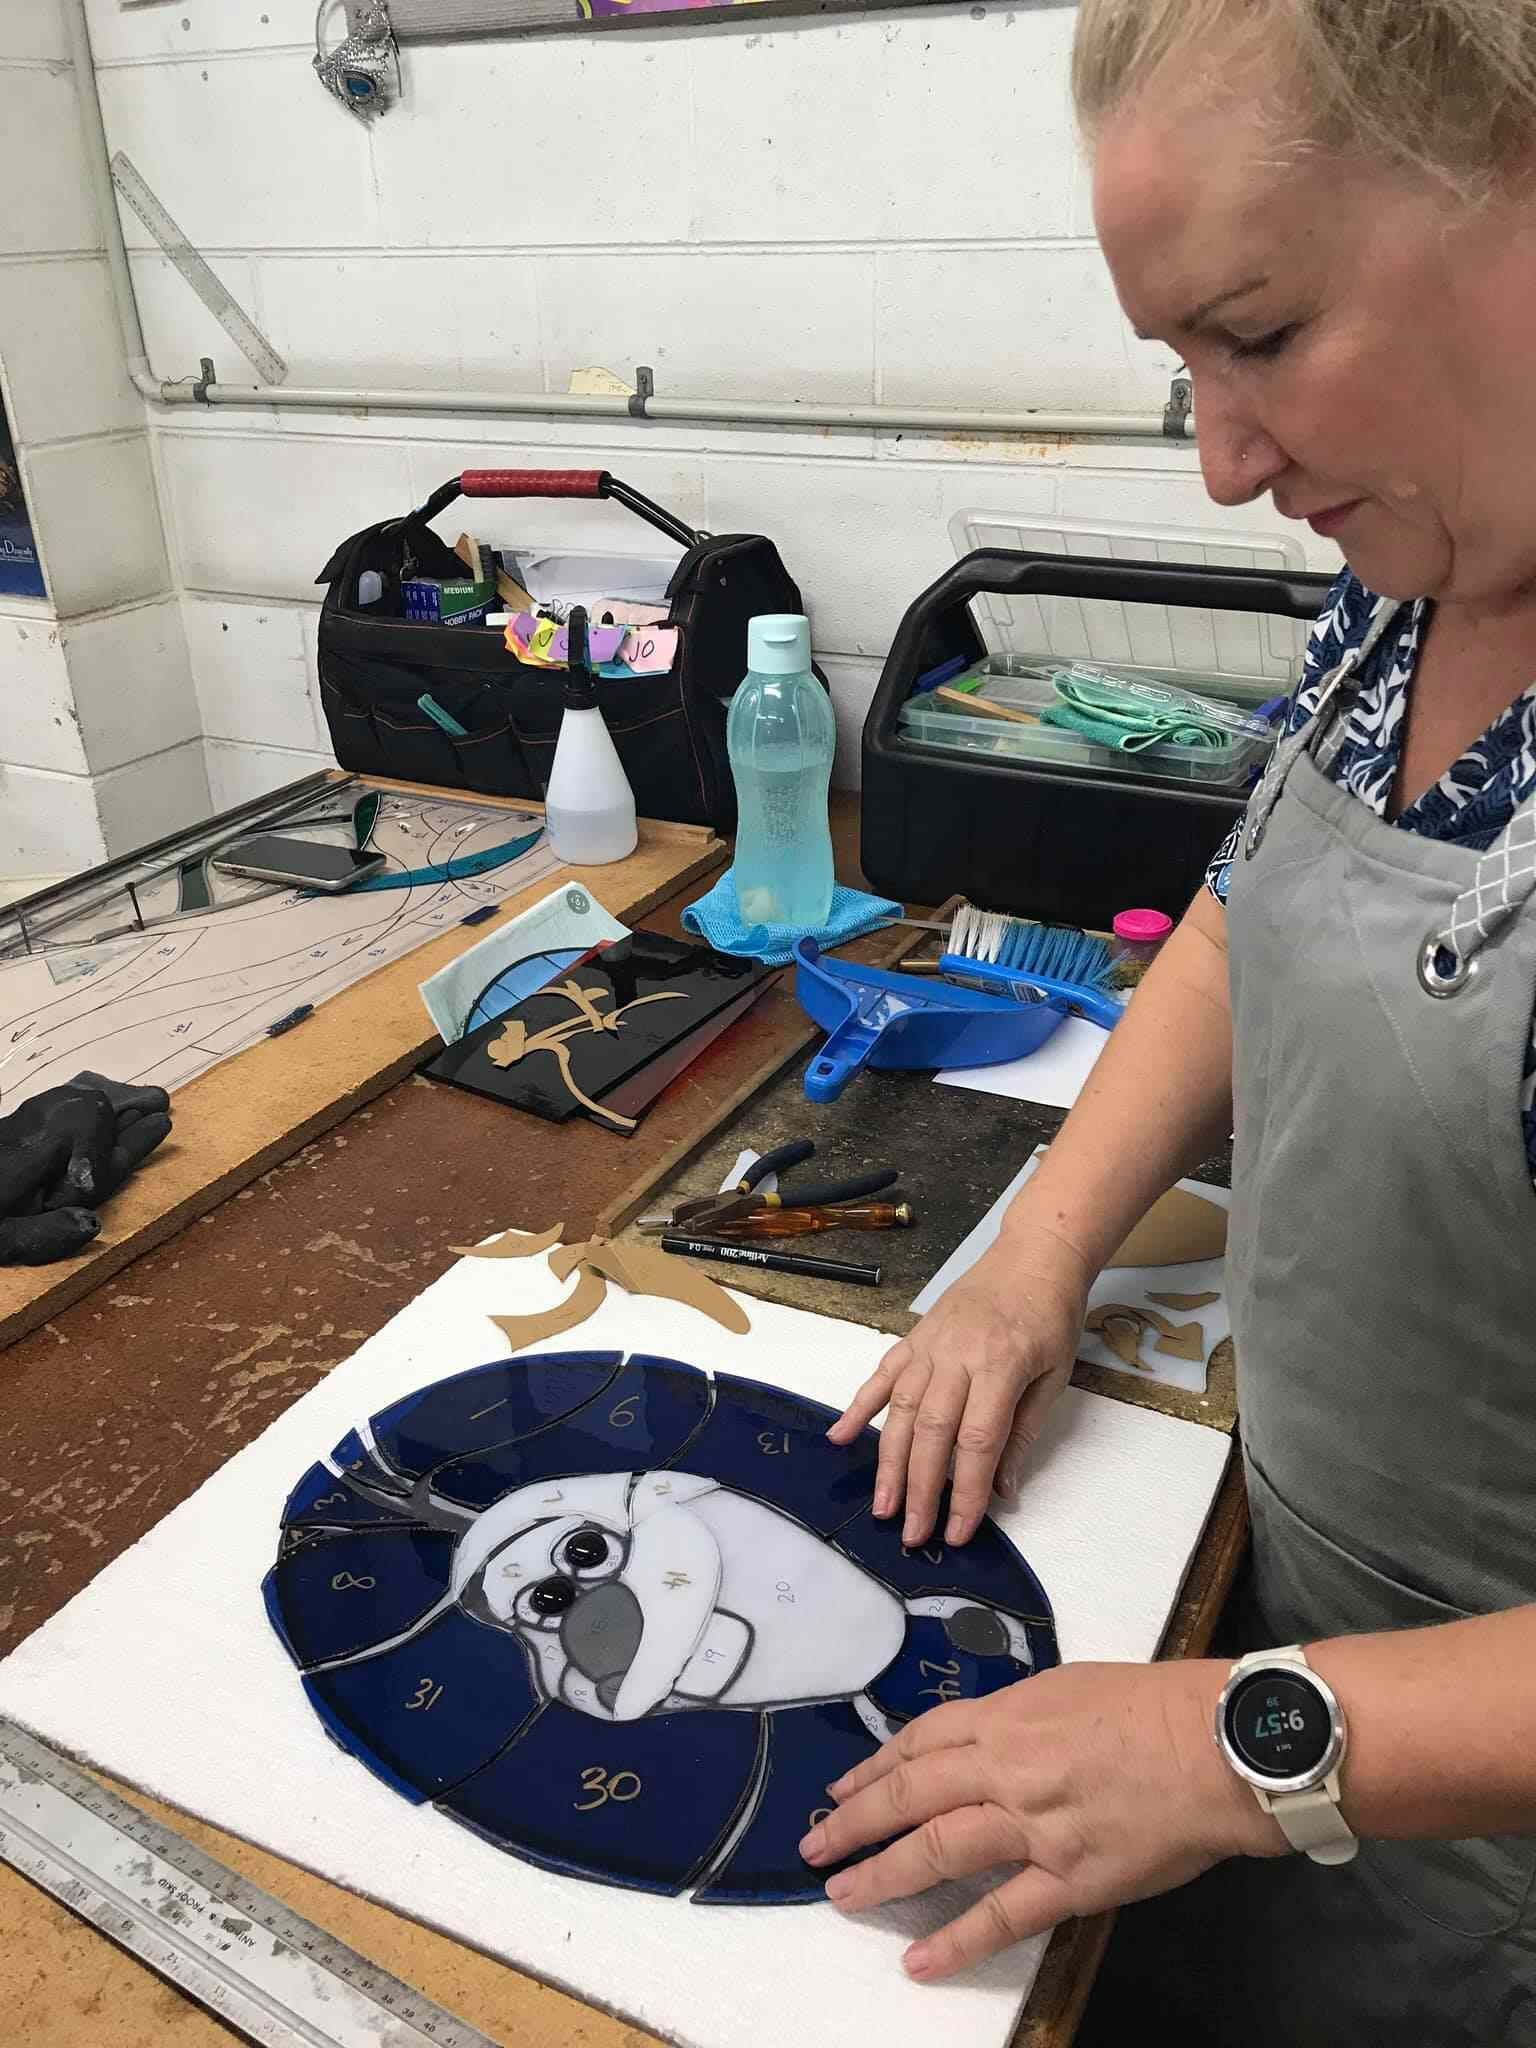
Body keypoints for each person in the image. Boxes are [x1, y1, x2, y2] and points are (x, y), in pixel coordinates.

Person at [796, 4, 1536, 2039]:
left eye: (1262, 335)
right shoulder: (1424, 568)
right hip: (1311, 1669)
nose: (1222, 465)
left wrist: (1235, 1747)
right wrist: (1029, 1261)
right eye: (1184, 367)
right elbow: (1247, 903)